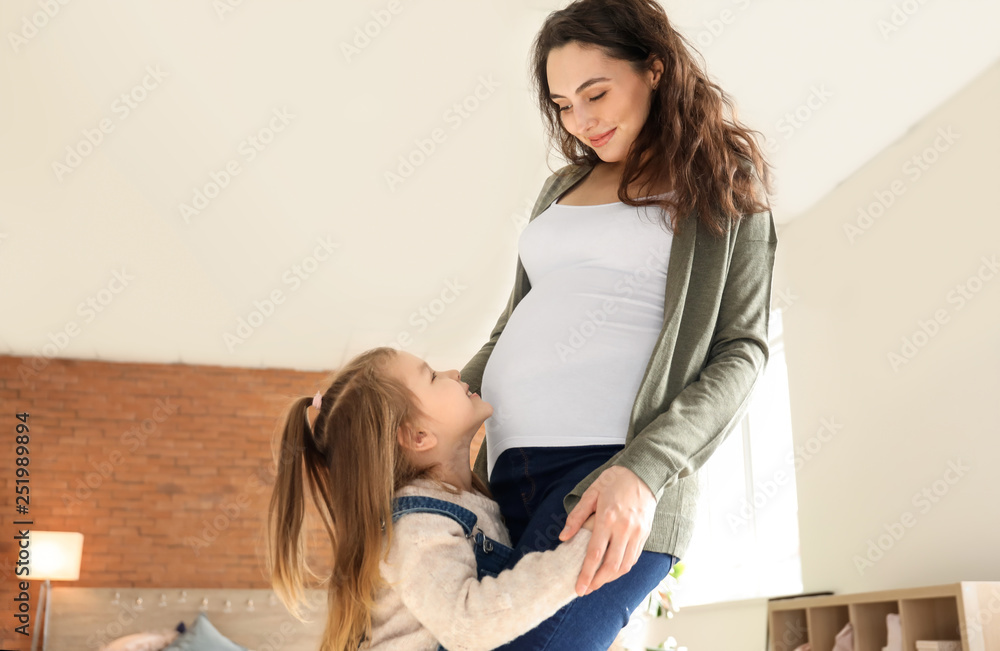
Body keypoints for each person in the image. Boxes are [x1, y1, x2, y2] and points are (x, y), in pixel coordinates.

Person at [459, 0, 778, 648]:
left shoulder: (721, 184)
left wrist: (644, 470)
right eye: (563, 104)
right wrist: (430, 411)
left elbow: (740, 350)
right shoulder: (560, 188)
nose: (581, 118)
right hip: (505, 474)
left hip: (606, 473)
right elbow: (511, 326)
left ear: (655, 69)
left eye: (595, 93)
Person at [265, 346, 599, 651]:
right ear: (418, 436)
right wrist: (589, 544)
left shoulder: (466, 501)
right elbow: (467, 624)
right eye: (434, 377)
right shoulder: (417, 528)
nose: (456, 372)